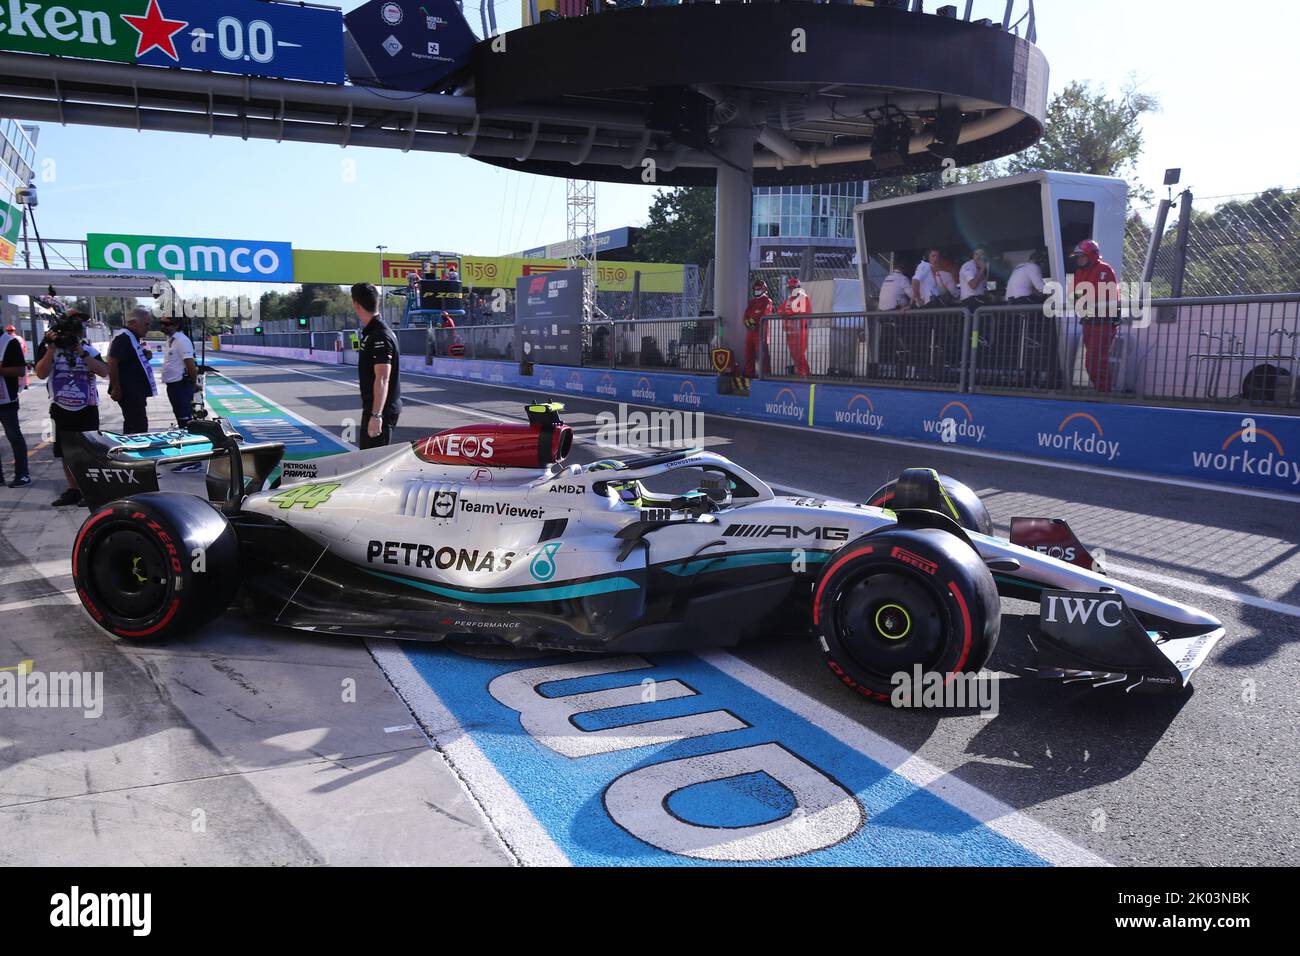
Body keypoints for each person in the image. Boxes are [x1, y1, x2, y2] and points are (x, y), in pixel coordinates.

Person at [34, 312, 109, 507]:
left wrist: (80, 351)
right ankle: (74, 489)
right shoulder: (50, 349)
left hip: (87, 408)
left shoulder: (89, 351)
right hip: (60, 408)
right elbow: (41, 374)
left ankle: (90, 490)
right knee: (64, 452)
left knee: (89, 452)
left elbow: (104, 371)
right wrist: (51, 349)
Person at [352, 282, 401, 448]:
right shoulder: (372, 332)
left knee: (373, 464)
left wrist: (376, 416)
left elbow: (382, 378)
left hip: (381, 410)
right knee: (367, 459)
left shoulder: (380, 335)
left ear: (356, 304)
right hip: (374, 408)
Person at [1072, 240, 1121, 392]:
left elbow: (1105, 296)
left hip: (1104, 323)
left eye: (1082, 256)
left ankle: (1104, 393)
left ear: (1091, 255)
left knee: (1096, 362)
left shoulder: (1104, 269)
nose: (1078, 259)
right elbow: (1077, 296)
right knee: (1091, 363)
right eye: (1077, 257)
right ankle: (1102, 392)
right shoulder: (1079, 272)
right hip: (1089, 322)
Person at [108, 307, 157, 434]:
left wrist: (144, 354)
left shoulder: (131, 337)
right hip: (129, 392)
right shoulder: (124, 337)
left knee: (136, 424)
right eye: (146, 324)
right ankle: (133, 450)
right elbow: (112, 361)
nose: (148, 327)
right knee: (136, 426)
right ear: (134, 323)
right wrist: (116, 388)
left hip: (135, 392)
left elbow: (127, 358)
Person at [0, 322, 30, 487]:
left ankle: (22, 474)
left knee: (13, 435)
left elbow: (20, 370)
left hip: (6, 399)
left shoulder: (9, 342)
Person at [160, 316, 198, 427]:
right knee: (179, 415)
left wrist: (194, 383)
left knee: (184, 419)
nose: (163, 326)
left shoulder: (182, 340)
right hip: (172, 385)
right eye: (161, 323)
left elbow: (190, 364)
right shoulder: (170, 340)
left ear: (176, 325)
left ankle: (188, 440)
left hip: (181, 385)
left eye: (167, 324)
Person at [779, 276, 811, 377]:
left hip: (801, 331)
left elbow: (801, 311)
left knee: (799, 354)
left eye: (794, 287)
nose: (792, 290)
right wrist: (786, 312)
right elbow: (780, 310)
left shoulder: (804, 298)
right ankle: (804, 373)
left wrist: (787, 313)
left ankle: (803, 374)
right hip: (791, 332)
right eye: (791, 288)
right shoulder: (789, 300)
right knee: (794, 355)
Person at [742, 279, 775, 378]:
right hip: (750, 331)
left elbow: (763, 314)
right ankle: (749, 374)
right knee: (748, 353)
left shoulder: (767, 301)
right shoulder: (752, 302)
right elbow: (746, 314)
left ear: (764, 289)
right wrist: (747, 322)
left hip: (761, 331)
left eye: (758, 289)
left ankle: (766, 374)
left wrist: (752, 321)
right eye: (755, 289)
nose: (757, 291)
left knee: (762, 354)